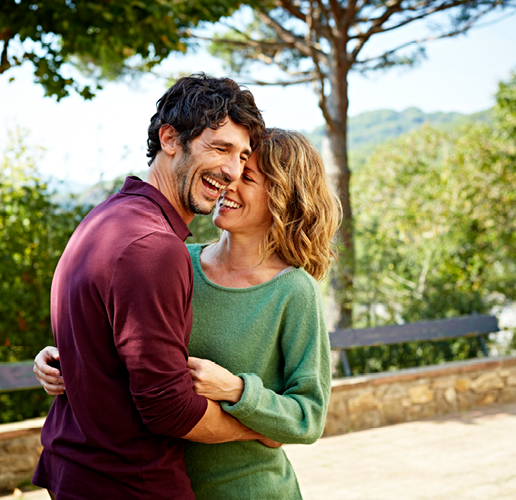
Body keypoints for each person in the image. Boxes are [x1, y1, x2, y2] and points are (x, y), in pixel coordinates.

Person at [36, 128, 341, 499]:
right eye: (230, 170)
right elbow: (133, 359)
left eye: (247, 177)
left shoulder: (293, 291)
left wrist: (236, 389)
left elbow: (308, 416)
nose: (228, 182)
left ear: (282, 196)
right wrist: (67, 360)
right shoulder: (178, 261)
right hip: (158, 486)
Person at [31, 73, 273, 500]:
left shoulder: (105, 218)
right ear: (169, 139)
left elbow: (98, 344)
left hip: (79, 470)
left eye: (242, 155)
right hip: (131, 483)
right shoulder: (153, 248)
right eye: (220, 148)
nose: (232, 171)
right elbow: (168, 408)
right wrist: (258, 428)